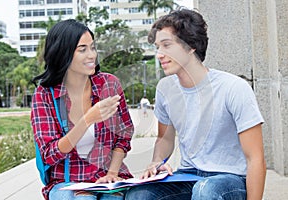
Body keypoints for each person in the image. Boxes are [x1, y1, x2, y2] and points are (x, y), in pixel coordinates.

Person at [125, 8, 266, 200]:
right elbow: (164, 139)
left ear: (191, 45)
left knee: (205, 190)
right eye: (158, 47)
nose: (159, 54)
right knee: (139, 195)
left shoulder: (233, 88)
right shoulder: (166, 89)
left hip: (230, 179)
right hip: (189, 174)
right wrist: (157, 162)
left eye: (166, 45)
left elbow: (255, 158)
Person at [31, 19, 134, 200]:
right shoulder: (45, 94)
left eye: (92, 47)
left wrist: (112, 173)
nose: (91, 55)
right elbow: (49, 154)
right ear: (63, 54)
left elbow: (123, 135)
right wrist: (87, 119)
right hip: (66, 182)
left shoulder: (108, 85)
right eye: (82, 49)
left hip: (106, 177)